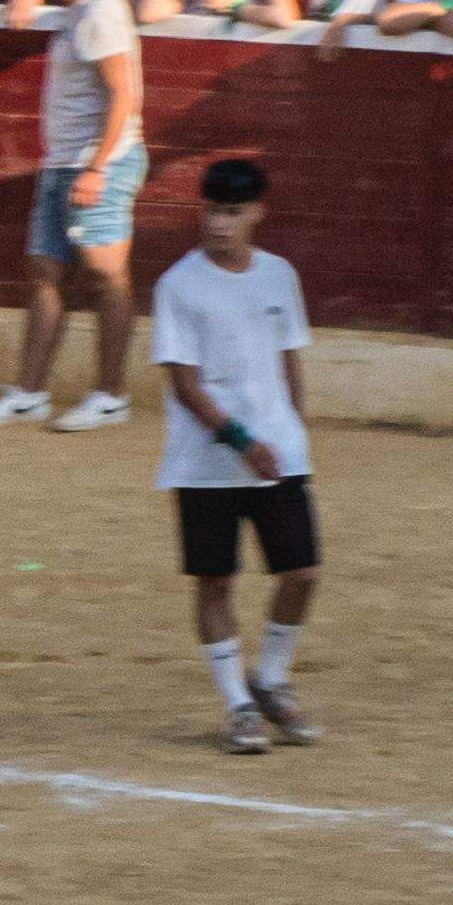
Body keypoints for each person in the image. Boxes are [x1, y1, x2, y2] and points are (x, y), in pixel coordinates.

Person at [152, 155, 319, 754]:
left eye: (232, 212)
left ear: (257, 214)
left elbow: (290, 358)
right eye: (211, 211)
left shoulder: (279, 276)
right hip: (207, 462)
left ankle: (270, 675)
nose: (219, 224)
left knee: (302, 573)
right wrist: (243, 442)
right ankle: (237, 704)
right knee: (215, 580)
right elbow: (184, 385)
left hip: (279, 456)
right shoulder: (178, 285)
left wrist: (291, 431)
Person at [0, 0, 142, 434]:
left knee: (108, 275)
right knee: (44, 272)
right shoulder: (82, 7)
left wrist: (98, 167)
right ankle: (30, 393)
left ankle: (111, 396)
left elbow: (123, 96)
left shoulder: (101, 12)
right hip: (62, 160)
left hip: (95, 160)